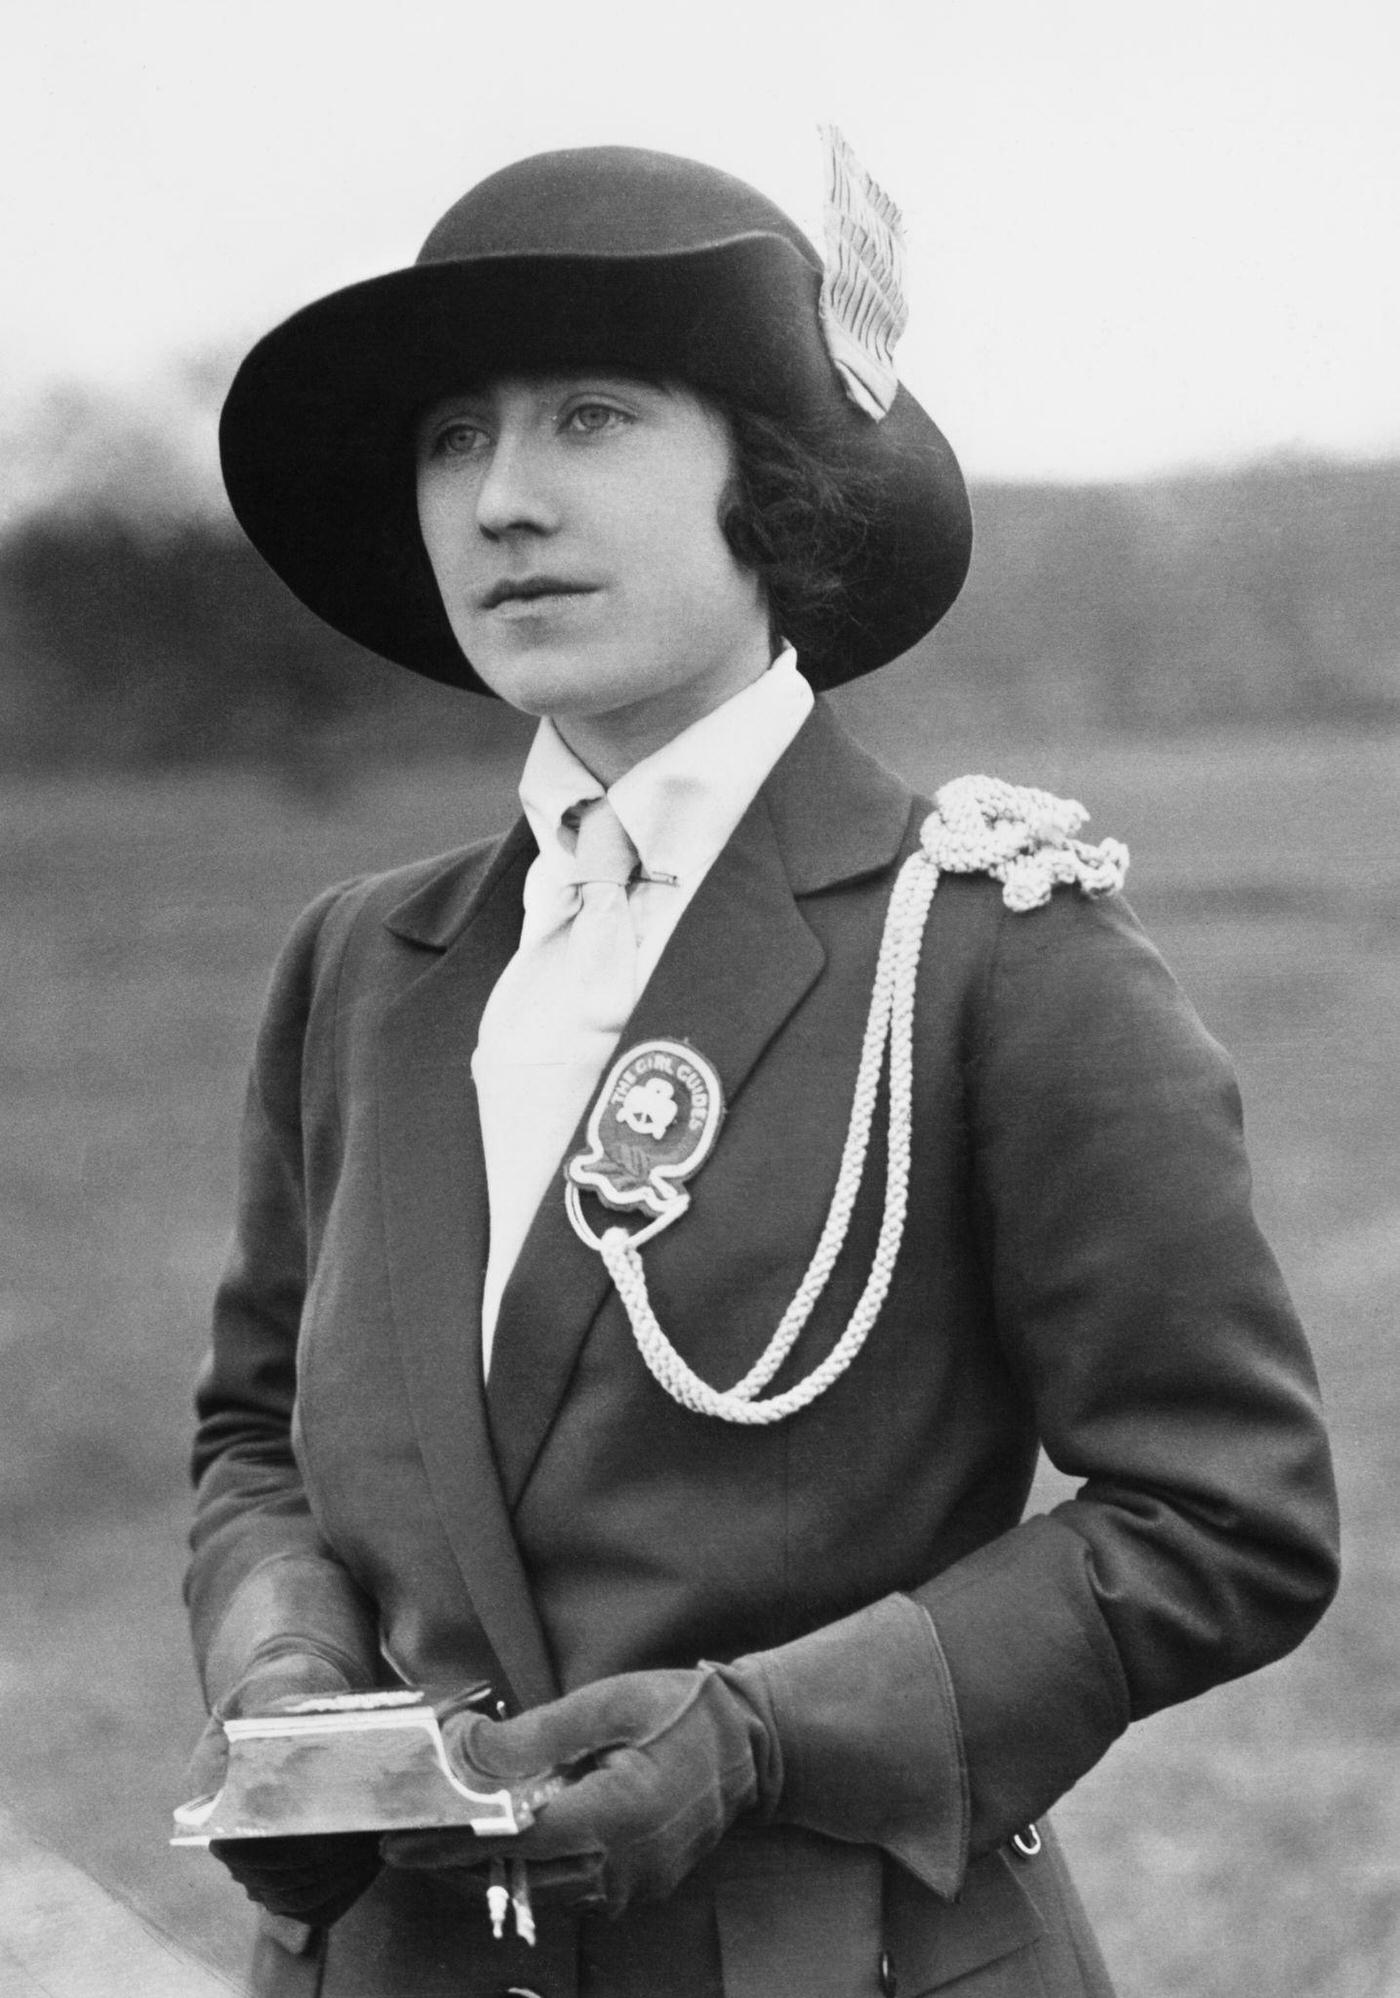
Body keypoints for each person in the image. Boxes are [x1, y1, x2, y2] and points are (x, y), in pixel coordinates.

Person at [183, 139, 1340, 1998]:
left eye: (592, 419)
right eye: (454, 440)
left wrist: (768, 1731)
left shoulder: (989, 952)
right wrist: (289, 1680)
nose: (504, 502)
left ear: (771, 488)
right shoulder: (358, 965)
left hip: (837, 1955)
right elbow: (257, 1440)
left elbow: (1224, 1516)